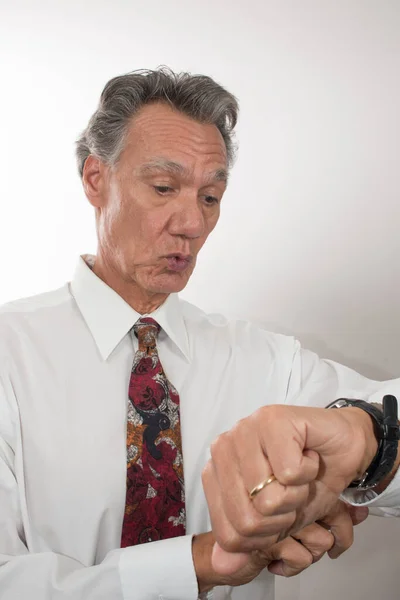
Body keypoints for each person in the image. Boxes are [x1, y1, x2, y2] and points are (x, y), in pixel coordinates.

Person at [0, 67, 399, 600]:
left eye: (210, 197)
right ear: (97, 179)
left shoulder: (264, 363)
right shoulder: (8, 355)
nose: (191, 222)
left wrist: (368, 439)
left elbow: (383, 417)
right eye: (164, 187)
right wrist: (200, 562)